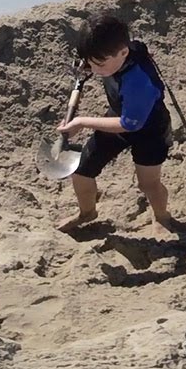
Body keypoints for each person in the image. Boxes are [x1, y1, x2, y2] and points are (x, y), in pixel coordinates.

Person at [56, 13, 178, 234]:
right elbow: (95, 62)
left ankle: (162, 217)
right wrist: (90, 64)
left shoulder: (138, 82)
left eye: (100, 64)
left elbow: (129, 124)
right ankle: (87, 213)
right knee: (81, 171)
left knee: (148, 184)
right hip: (120, 113)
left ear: (124, 52)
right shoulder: (110, 55)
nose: (95, 70)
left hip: (149, 128)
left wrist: (81, 122)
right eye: (91, 63)